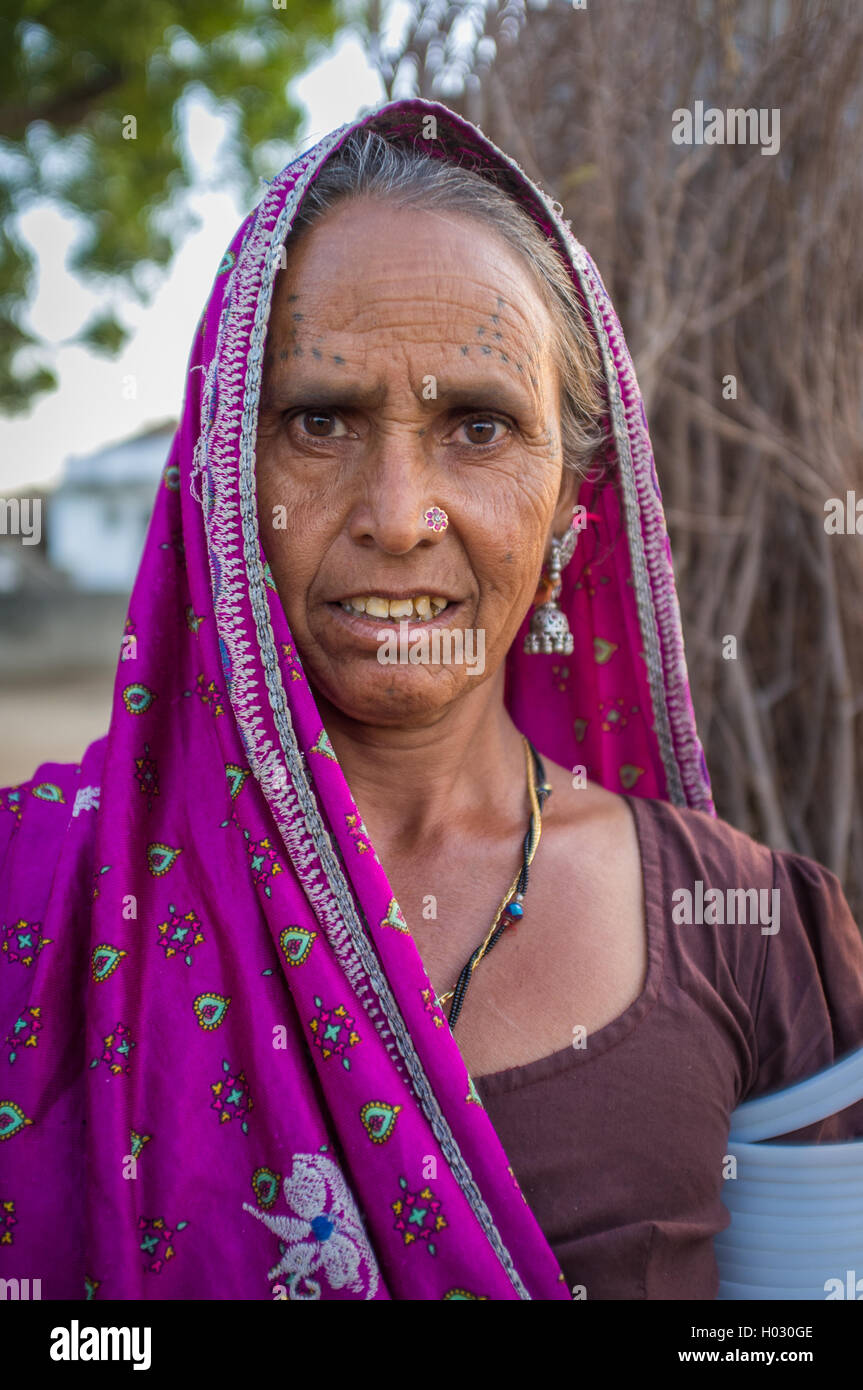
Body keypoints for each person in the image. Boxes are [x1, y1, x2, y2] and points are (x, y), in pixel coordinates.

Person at [1, 98, 861, 1302]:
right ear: (221, 479)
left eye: (477, 424)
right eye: (318, 421)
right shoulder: (38, 892)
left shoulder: (753, 934)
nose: (398, 513)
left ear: (570, 508)